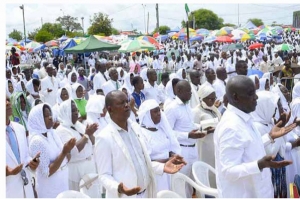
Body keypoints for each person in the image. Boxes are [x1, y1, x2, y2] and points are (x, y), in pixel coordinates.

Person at [94, 90, 186, 198]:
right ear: (110, 109)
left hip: (146, 193)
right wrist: (119, 188)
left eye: (127, 102)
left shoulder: (135, 128)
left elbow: (143, 161)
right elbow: (104, 175)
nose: (126, 105)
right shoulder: (104, 137)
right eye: (121, 103)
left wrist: (163, 166)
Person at [214, 75, 293, 198]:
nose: (256, 97)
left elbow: (249, 147)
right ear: (236, 97)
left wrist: (270, 136)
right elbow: (228, 171)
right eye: (251, 94)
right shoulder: (231, 127)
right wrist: (259, 165)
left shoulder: (244, 118)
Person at [164, 80, 206, 197]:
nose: (191, 93)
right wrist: (188, 135)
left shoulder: (187, 105)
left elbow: (189, 125)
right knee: (181, 183)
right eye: (188, 91)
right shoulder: (172, 108)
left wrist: (203, 128)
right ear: (178, 91)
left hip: (193, 148)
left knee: (192, 182)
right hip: (182, 150)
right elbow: (168, 133)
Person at [28, 103, 76, 198]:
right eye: (46, 116)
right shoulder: (36, 141)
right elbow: (47, 172)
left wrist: (68, 149)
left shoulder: (52, 132)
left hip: (62, 181)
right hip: (50, 187)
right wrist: (64, 151)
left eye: (50, 114)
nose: (50, 117)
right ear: (38, 119)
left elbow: (66, 159)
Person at [138, 99, 182, 192]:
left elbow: (166, 149)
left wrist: (173, 155)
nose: (159, 113)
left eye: (159, 110)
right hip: (155, 175)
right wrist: (167, 160)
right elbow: (146, 160)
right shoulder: (141, 133)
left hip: (168, 172)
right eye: (155, 111)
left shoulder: (161, 129)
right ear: (147, 115)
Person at [56, 99, 98, 191]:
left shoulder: (78, 124)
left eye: (76, 110)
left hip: (89, 166)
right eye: (72, 111)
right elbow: (74, 151)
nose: (76, 113)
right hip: (76, 170)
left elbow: (93, 142)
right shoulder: (61, 130)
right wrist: (86, 134)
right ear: (65, 112)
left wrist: (90, 133)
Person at [6, 98, 40, 198]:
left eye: (8, 100)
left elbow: (25, 157)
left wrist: (32, 162)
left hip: (26, 186)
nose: (7, 103)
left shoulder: (20, 128)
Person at [192, 85, 221, 188]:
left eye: (214, 98)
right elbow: (193, 131)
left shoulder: (214, 109)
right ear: (202, 98)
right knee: (206, 175)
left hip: (216, 147)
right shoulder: (196, 111)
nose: (212, 101)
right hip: (204, 148)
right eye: (210, 98)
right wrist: (206, 131)